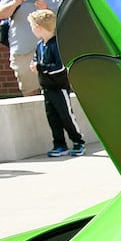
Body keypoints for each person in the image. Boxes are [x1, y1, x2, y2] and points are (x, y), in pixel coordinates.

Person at [26, 9, 85, 157]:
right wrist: (35, 65)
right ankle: (59, 144)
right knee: (53, 118)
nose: (32, 30)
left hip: (59, 87)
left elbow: (59, 68)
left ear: (39, 27)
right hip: (46, 88)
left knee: (66, 115)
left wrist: (41, 68)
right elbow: (36, 59)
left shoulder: (56, 45)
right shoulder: (40, 45)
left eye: (33, 26)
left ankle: (78, 141)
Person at [0, 0, 60, 96]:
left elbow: (61, 22)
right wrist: (15, 3)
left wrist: (46, 10)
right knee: (30, 93)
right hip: (22, 53)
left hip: (47, 52)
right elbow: (1, 14)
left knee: (53, 92)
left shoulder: (51, 0)